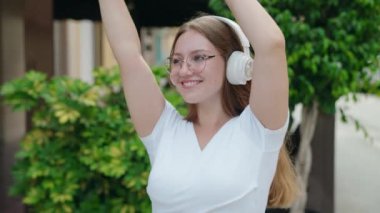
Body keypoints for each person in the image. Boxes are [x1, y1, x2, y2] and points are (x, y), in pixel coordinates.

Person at [99, 0, 299, 212]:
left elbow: (271, 44)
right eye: (176, 61)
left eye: (199, 58)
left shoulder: (258, 128)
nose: (184, 70)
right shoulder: (164, 130)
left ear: (234, 63)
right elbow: (127, 54)